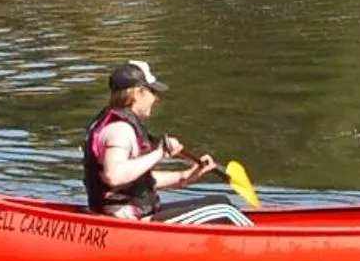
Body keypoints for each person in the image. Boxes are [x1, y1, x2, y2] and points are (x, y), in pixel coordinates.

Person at [83, 60, 247, 224]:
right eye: (152, 91)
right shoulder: (119, 129)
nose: (156, 98)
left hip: (138, 219)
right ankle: (265, 246)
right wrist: (160, 152)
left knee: (221, 201)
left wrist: (185, 176)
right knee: (227, 211)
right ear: (138, 93)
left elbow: (138, 181)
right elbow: (114, 176)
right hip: (131, 224)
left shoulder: (121, 126)